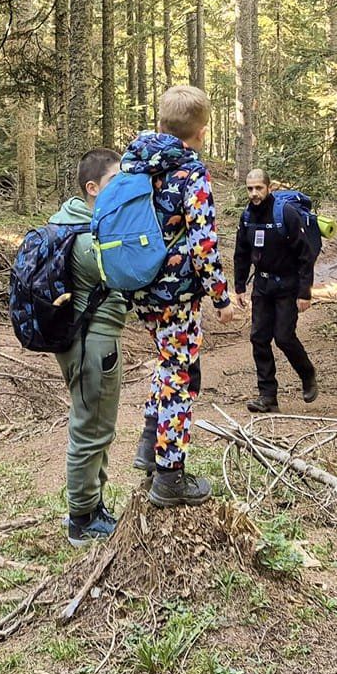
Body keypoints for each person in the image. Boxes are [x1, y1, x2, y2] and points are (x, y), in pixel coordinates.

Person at [123, 84, 235, 506]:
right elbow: (203, 243)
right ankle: (170, 476)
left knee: (166, 362)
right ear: (201, 132)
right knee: (178, 376)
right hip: (177, 295)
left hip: (139, 284)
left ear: (160, 123)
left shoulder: (135, 164)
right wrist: (221, 297)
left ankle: (148, 443)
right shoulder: (191, 172)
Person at [51, 147, 126, 543]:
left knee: (95, 424)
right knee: (91, 429)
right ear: (92, 187)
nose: (122, 187)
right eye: (115, 180)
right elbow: (132, 274)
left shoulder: (67, 221)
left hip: (79, 338)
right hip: (93, 342)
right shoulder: (88, 237)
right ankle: (82, 519)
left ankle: (93, 506)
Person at [233, 169, 317, 414]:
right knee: (259, 338)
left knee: (283, 337)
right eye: (250, 189)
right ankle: (267, 396)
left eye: (259, 188)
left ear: (269, 188)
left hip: (287, 286)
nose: (254, 193)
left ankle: (307, 373)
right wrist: (239, 286)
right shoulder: (247, 216)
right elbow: (241, 253)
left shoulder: (285, 213)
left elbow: (305, 255)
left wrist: (305, 292)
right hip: (262, 285)